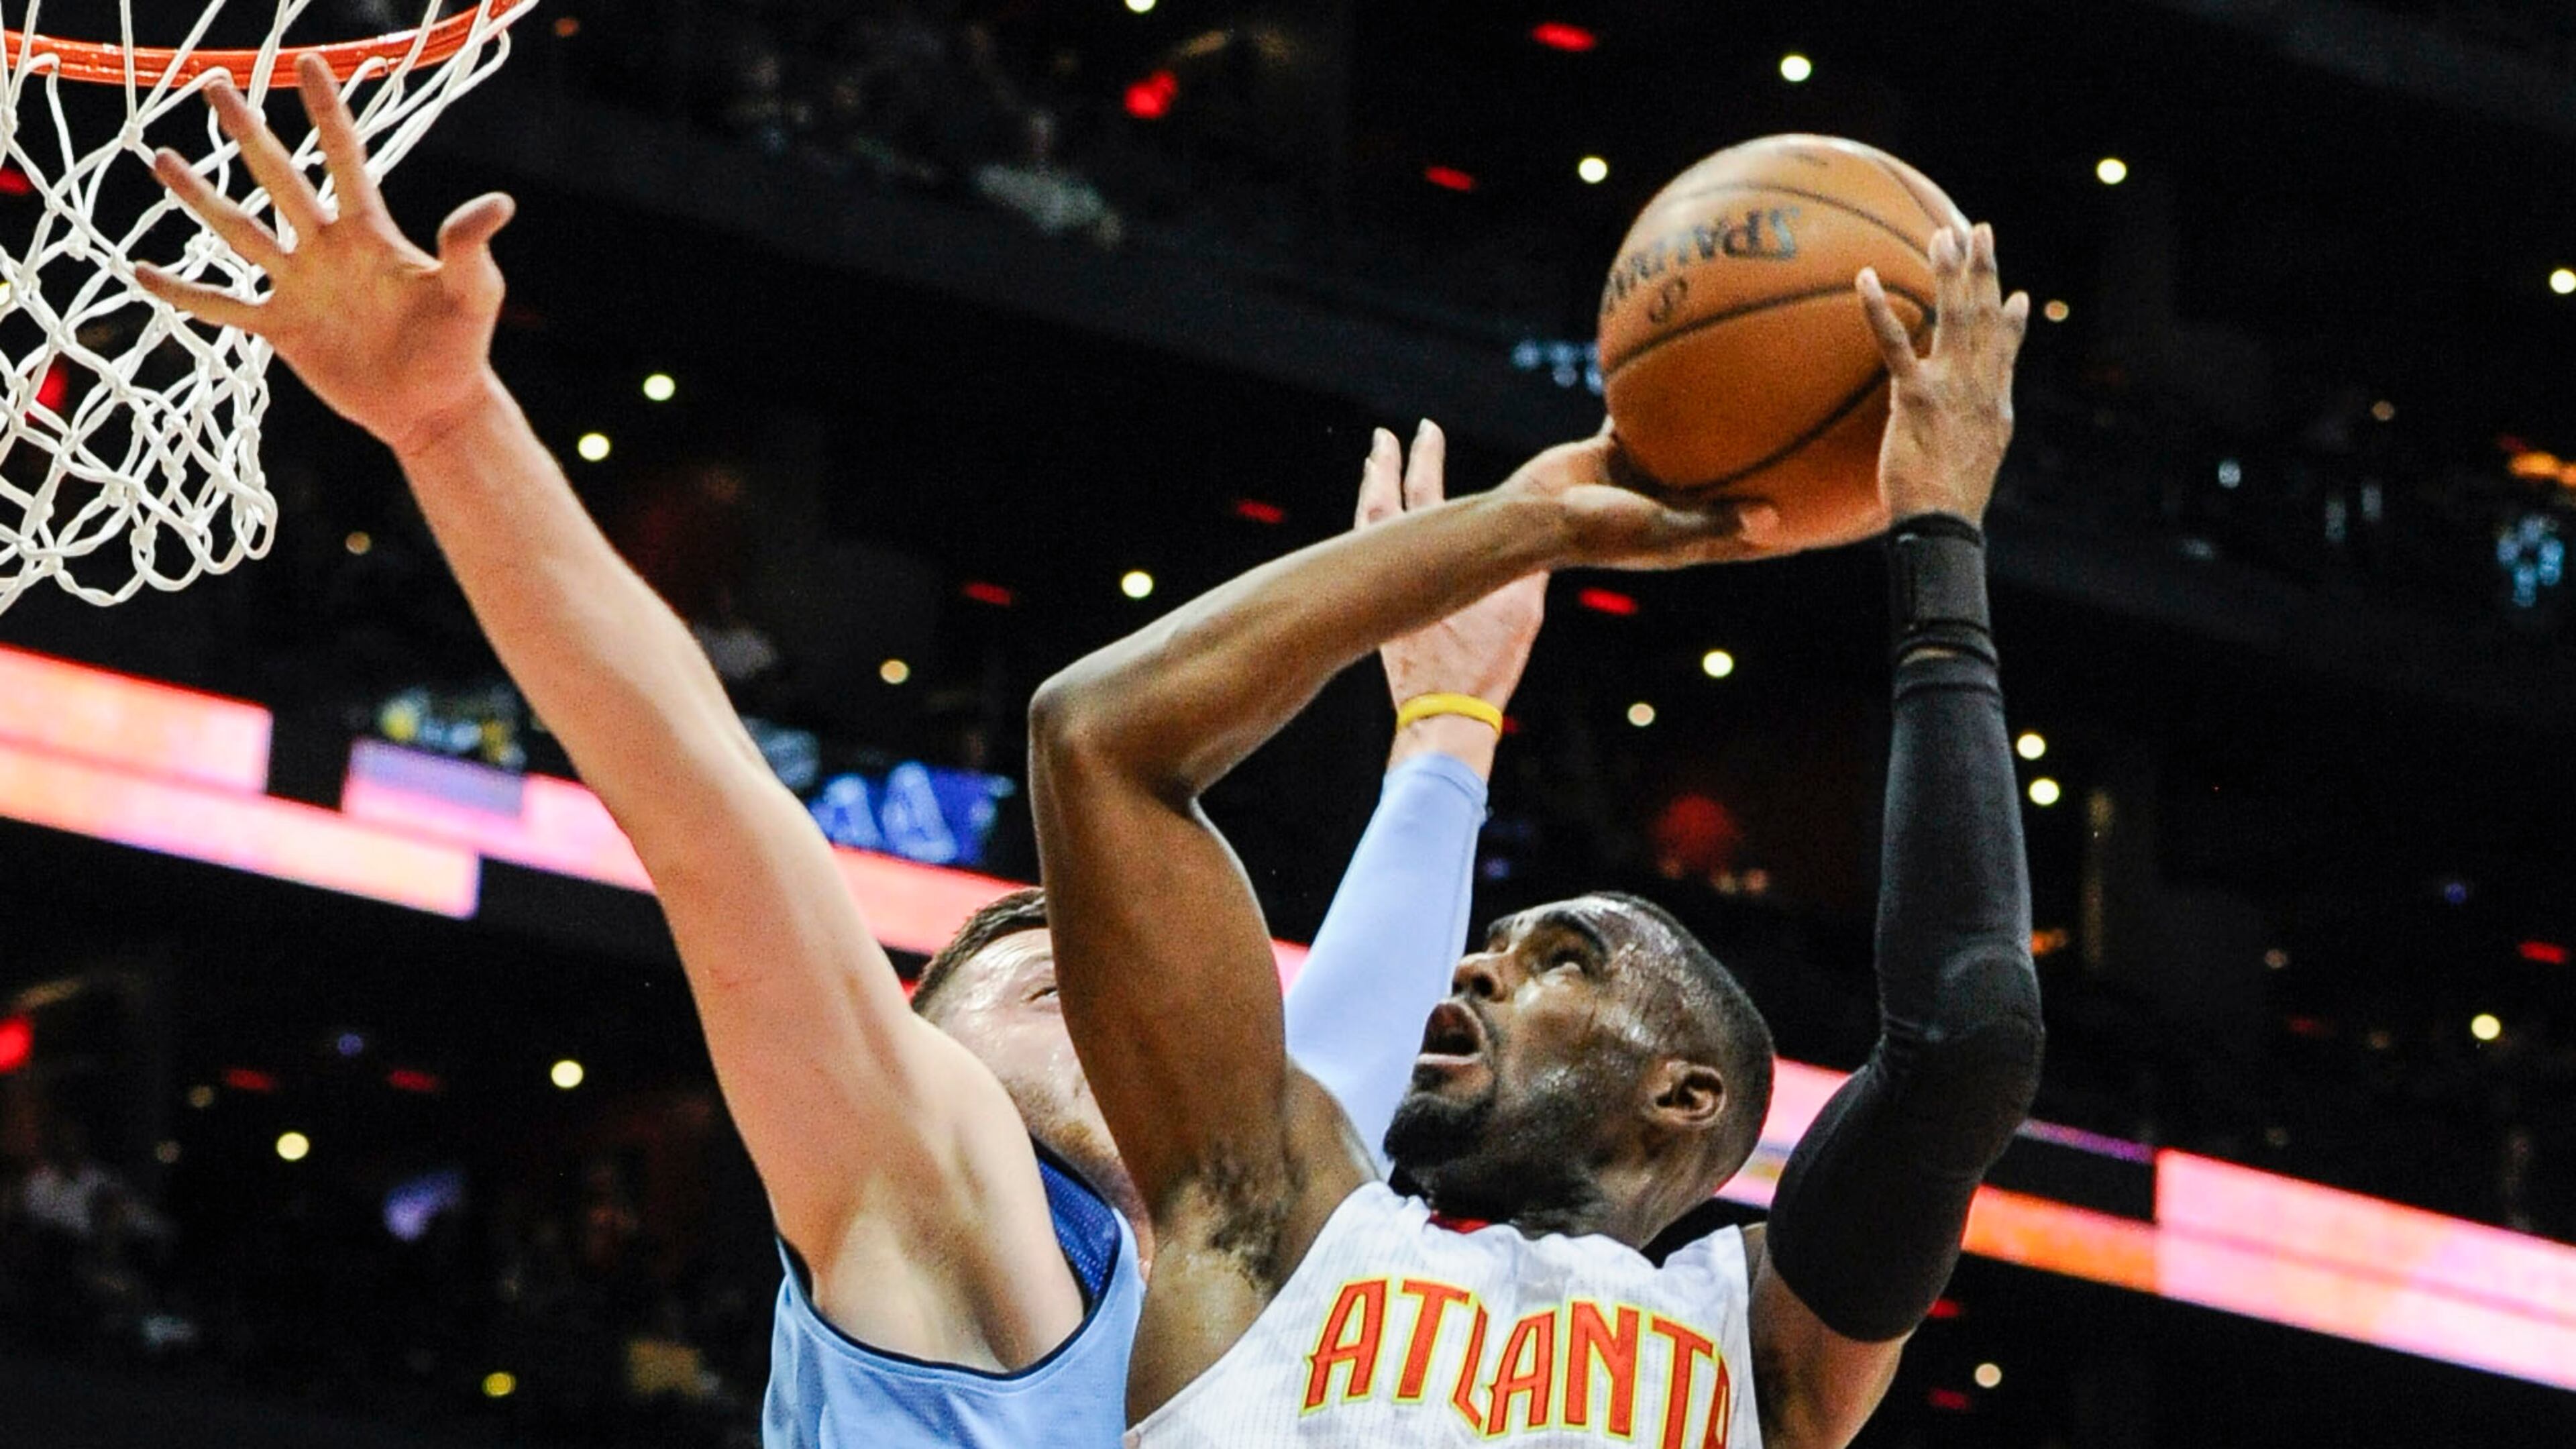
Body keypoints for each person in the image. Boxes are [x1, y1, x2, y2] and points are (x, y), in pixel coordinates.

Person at [136, 59, 1530, 1447]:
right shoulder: (946, 1190)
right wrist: (449, 429)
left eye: (1112, 994)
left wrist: (1447, 739)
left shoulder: (1235, 1263)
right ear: (918, 1044)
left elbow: (1346, 1041)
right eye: (1044, 989)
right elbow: (709, 814)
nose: (1109, 1009)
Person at [1028, 225, 2042, 1447]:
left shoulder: (1755, 1347)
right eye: (1502, 948)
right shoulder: (1272, 1222)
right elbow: (1095, 738)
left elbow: (1970, 1039)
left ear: (1684, 1092)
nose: (1475, 965)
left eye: (1564, 960)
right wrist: (1531, 531)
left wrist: (1940, 538)